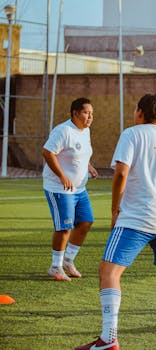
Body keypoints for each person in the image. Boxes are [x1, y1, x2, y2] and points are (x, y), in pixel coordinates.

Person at [76, 94, 156, 350]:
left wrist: (115, 210)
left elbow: (121, 172)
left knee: (108, 272)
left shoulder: (132, 134)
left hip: (136, 217)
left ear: (141, 112)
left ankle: (109, 339)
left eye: (136, 107)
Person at [42, 97, 98, 282]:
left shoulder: (86, 131)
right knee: (64, 227)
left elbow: (80, 153)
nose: (90, 117)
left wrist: (88, 166)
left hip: (79, 189)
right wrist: (61, 175)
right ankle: (55, 267)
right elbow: (47, 152)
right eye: (86, 113)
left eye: (91, 113)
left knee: (86, 222)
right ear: (75, 113)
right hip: (59, 188)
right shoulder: (63, 130)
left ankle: (68, 261)